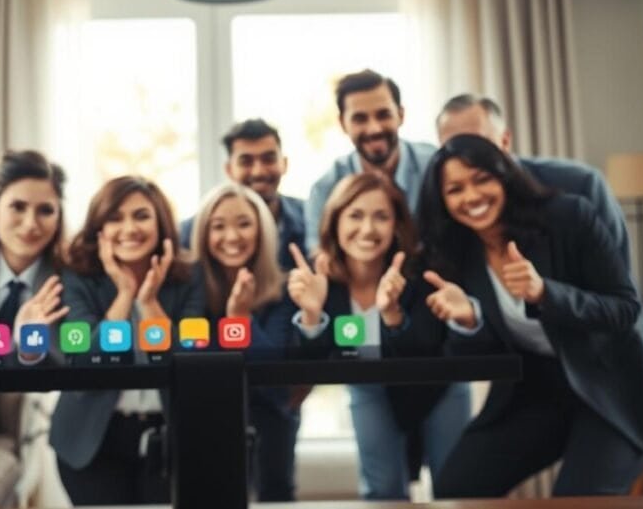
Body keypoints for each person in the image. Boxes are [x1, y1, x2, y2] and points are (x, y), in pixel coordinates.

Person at [417, 134, 643, 497]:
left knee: (574, 502)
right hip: (539, 389)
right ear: (443, 201)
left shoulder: (569, 217)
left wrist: (545, 293)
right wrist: (469, 320)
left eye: (482, 179)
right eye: (455, 189)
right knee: (455, 487)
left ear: (504, 176)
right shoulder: (458, 251)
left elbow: (625, 308)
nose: (472, 197)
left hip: (616, 384)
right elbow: (476, 353)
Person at [305, 69, 470, 499]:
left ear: (400, 114)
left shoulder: (438, 167)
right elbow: (325, 269)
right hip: (367, 362)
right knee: (382, 488)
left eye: (383, 114)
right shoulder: (326, 187)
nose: (373, 127)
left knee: (454, 483)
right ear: (343, 124)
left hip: (433, 352)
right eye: (360, 118)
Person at [287, 173, 463, 499]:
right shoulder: (321, 279)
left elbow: (424, 350)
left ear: (397, 225)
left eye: (381, 216)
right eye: (355, 215)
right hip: (368, 385)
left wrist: (391, 313)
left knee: (453, 486)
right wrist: (312, 313)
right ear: (334, 221)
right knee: (383, 490)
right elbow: (313, 359)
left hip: (438, 386)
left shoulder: (421, 271)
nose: (367, 229)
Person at [50, 176, 205, 505]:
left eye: (141, 215)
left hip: (169, 435)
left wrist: (148, 302)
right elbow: (84, 363)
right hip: (93, 439)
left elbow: (185, 366)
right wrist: (125, 294)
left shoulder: (190, 274)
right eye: (115, 218)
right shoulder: (78, 275)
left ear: (160, 221)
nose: (129, 228)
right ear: (100, 228)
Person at [180, 118, 307, 501]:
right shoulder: (190, 267)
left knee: (275, 488)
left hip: (273, 407)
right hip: (207, 408)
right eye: (218, 227)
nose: (231, 237)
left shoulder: (288, 264)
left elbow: (278, 374)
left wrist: (241, 319)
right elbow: (190, 355)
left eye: (268, 158)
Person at [435, 93, 629, 268]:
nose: (465, 157)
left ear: (505, 141)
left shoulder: (579, 184)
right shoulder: (444, 203)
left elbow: (621, 285)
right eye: (453, 147)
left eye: (478, 143)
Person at [0, 150, 70, 364]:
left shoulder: (69, 284)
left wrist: (29, 349)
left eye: (45, 210)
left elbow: (69, 375)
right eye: (18, 207)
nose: (30, 224)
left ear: (59, 219)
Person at [181, 118, 306, 271]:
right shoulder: (191, 233)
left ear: (284, 164)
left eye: (269, 159)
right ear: (229, 170)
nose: (258, 171)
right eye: (246, 162)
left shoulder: (310, 220)